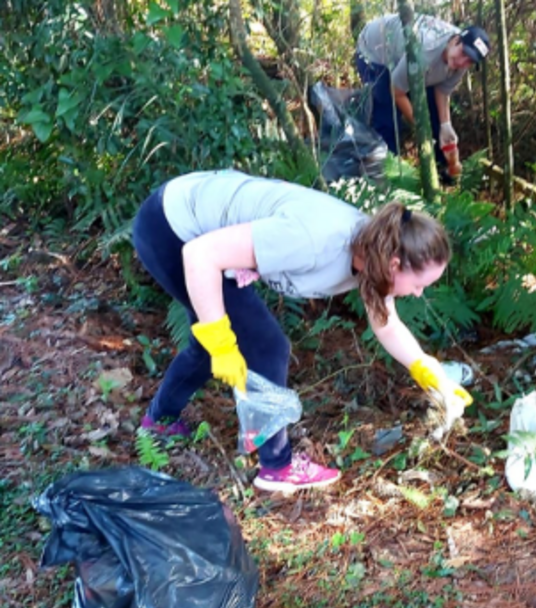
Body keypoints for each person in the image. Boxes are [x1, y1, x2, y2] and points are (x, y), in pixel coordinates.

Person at [133, 168, 472, 492]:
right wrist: (221, 344)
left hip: (202, 235)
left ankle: (159, 421)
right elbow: (200, 255)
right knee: (266, 346)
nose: (419, 293)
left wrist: (430, 372)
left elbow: (387, 324)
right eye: (419, 284)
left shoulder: (376, 253)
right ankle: (277, 467)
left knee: (230, 338)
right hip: (171, 228)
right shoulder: (315, 240)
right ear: (396, 264)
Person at [355, 14, 490, 180]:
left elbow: (442, 91)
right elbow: (396, 91)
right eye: (463, 54)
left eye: (469, 61)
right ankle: (386, 179)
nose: (463, 62)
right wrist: (419, 126)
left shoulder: (460, 61)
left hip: (404, 57)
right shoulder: (425, 51)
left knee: (434, 115)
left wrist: (445, 125)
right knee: (388, 120)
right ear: (455, 41)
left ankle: (442, 172)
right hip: (375, 52)